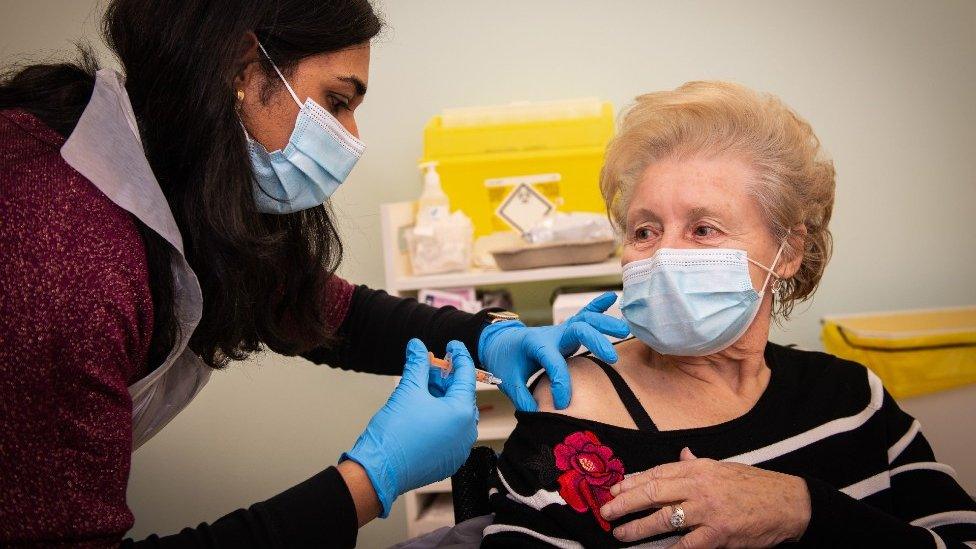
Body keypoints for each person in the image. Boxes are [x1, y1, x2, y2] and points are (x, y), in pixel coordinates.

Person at [0, 1, 629, 546]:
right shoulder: (59, 246)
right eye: (337, 100)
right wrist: (368, 480)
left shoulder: (160, 171)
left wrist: (484, 335)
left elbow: (320, 309)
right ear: (242, 69)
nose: (351, 136)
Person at [484, 81, 976, 547]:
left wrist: (804, 510)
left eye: (703, 229)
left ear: (787, 252)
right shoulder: (571, 413)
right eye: (644, 231)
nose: (663, 256)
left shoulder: (851, 397)